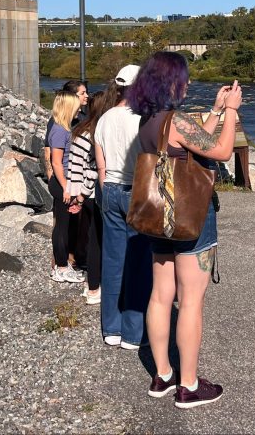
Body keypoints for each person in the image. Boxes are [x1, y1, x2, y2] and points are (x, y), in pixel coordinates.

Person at [127, 51, 241, 410]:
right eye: (184, 77)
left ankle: (162, 375)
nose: (188, 82)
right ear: (170, 81)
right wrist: (233, 111)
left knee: (161, 295)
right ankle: (189, 385)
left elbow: (193, 145)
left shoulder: (151, 121)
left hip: (159, 217)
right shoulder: (177, 120)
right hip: (190, 216)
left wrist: (215, 109)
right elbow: (221, 151)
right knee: (190, 300)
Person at [94, 65, 151, 350]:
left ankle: (111, 329)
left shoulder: (104, 118)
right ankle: (132, 333)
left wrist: (106, 193)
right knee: (139, 263)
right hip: (135, 190)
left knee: (113, 262)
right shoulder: (142, 119)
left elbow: (100, 164)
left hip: (110, 189)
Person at [68, 89, 119, 305]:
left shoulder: (81, 131)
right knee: (107, 241)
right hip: (99, 189)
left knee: (93, 240)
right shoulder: (102, 132)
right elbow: (98, 169)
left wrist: (77, 194)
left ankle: (93, 288)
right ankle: (108, 286)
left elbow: (76, 167)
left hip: (85, 193)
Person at [47, 91, 85, 283]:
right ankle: (61, 267)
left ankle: (62, 265)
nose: (79, 110)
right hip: (62, 183)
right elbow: (56, 162)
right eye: (77, 107)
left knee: (64, 225)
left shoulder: (62, 128)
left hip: (64, 182)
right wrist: (66, 188)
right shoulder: (60, 131)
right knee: (62, 226)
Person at [43, 80, 88, 182]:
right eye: (82, 93)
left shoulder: (84, 117)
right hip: (65, 177)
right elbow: (48, 151)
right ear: (72, 97)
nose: (87, 95)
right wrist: (51, 179)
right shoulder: (57, 123)